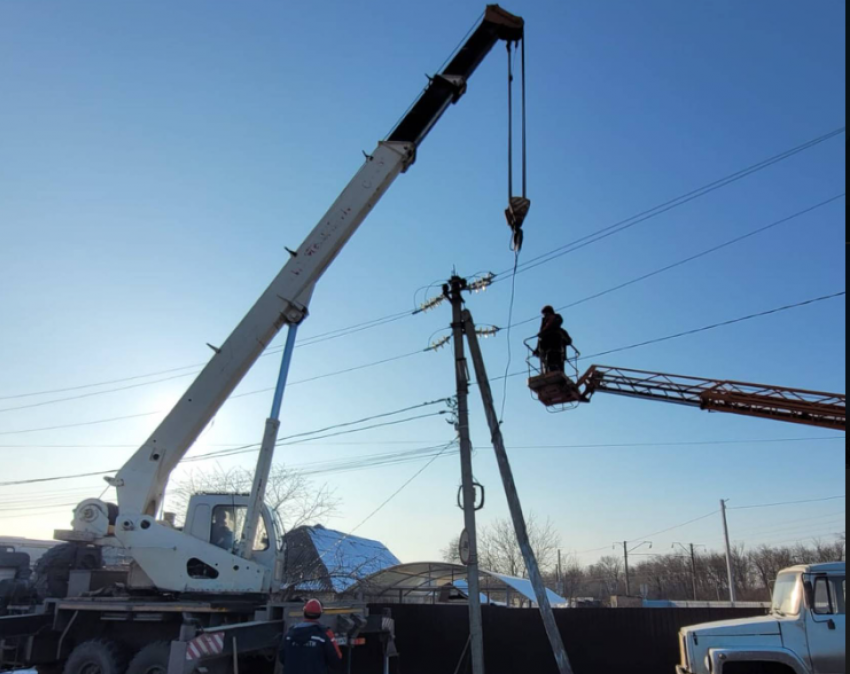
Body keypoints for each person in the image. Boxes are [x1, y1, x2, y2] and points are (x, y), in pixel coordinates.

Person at [279, 599, 344, 674]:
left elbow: (282, 657)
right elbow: (336, 658)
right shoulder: (324, 634)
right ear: (319, 614)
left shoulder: (289, 634)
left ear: (304, 612)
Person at [535, 305, 573, 374]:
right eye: (544, 315)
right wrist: (537, 349)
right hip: (547, 355)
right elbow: (540, 339)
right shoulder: (544, 332)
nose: (546, 317)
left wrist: (562, 338)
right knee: (549, 369)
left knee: (556, 369)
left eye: (547, 315)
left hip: (558, 354)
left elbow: (569, 341)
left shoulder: (560, 331)